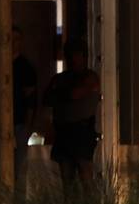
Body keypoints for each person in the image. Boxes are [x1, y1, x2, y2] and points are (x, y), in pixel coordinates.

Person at [41, 38, 100, 193]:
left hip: (81, 131)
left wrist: (61, 93)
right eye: (71, 55)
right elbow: (47, 98)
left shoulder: (89, 76)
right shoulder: (61, 78)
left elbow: (76, 93)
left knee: (85, 175)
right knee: (67, 179)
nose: (74, 59)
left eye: (77, 54)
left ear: (84, 56)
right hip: (64, 131)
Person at [12, 26, 37, 203]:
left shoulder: (26, 68)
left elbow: (31, 102)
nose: (13, 43)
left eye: (17, 39)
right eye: (10, 38)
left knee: (19, 170)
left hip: (19, 124)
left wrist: (28, 126)